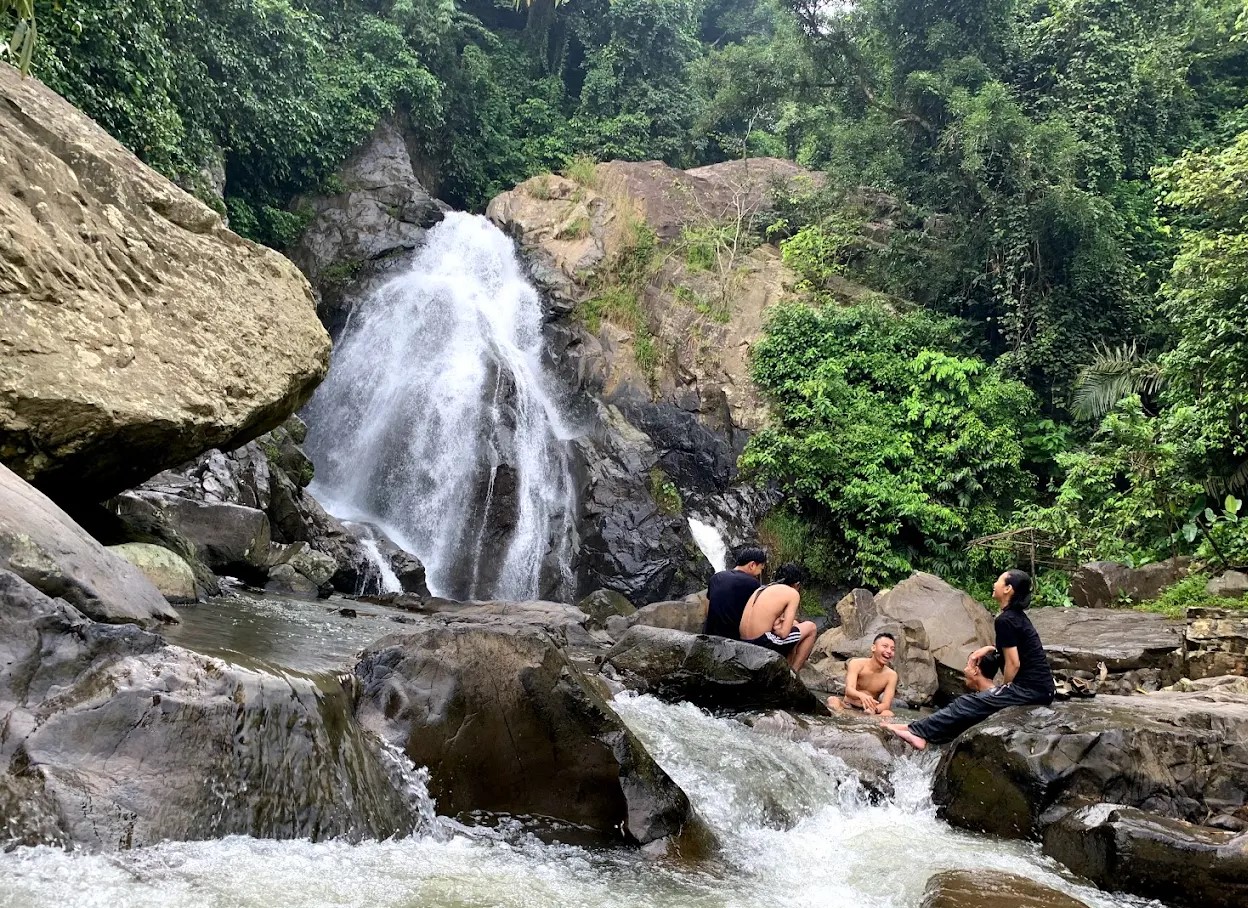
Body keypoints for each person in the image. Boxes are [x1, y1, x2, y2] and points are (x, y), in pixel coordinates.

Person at [886, 569, 1055, 750]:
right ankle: (915, 729)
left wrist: (1005, 689)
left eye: (998, 580)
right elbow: (1018, 650)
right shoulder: (1015, 617)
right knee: (971, 705)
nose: (994, 584)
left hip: (1031, 690)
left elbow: (1014, 663)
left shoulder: (1006, 620)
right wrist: (991, 649)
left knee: (967, 703)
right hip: (1041, 689)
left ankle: (918, 733)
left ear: (1008, 589)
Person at [738, 562, 818, 671]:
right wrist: (779, 630)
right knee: (811, 627)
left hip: (743, 642)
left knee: (795, 626)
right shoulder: (792, 593)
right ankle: (792, 675)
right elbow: (784, 633)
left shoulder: (761, 589)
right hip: (762, 643)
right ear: (797, 584)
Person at [703, 546, 767, 640]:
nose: (760, 573)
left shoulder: (716, 577)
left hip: (709, 634)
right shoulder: (753, 584)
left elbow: (709, 605)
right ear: (752, 565)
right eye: (761, 569)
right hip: (734, 639)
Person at [827, 632, 898, 717]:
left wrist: (874, 709)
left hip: (870, 710)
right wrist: (862, 696)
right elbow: (849, 690)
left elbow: (886, 704)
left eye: (892, 649)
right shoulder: (856, 664)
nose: (889, 651)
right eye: (885, 646)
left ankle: (869, 723)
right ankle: (841, 717)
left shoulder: (891, 675)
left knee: (888, 714)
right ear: (873, 648)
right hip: (848, 705)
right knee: (832, 700)